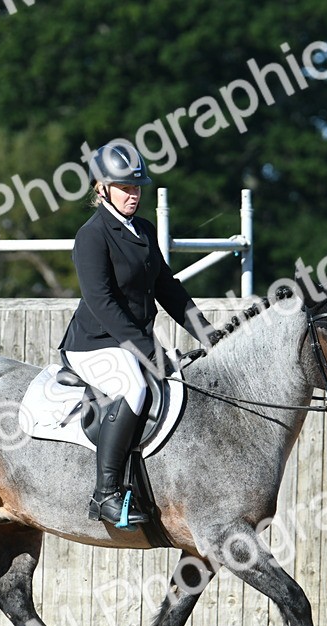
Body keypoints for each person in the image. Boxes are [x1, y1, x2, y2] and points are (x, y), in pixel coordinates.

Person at [59, 140, 215, 527]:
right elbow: (103, 303)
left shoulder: (143, 229)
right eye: (125, 188)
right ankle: (106, 494)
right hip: (94, 344)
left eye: (137, 187)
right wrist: (150, 350)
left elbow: (168, 287)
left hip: (129, 343)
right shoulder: (92, 236)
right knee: (135, 387)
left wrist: (206, 331)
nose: (134, 194)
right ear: (101, 188)